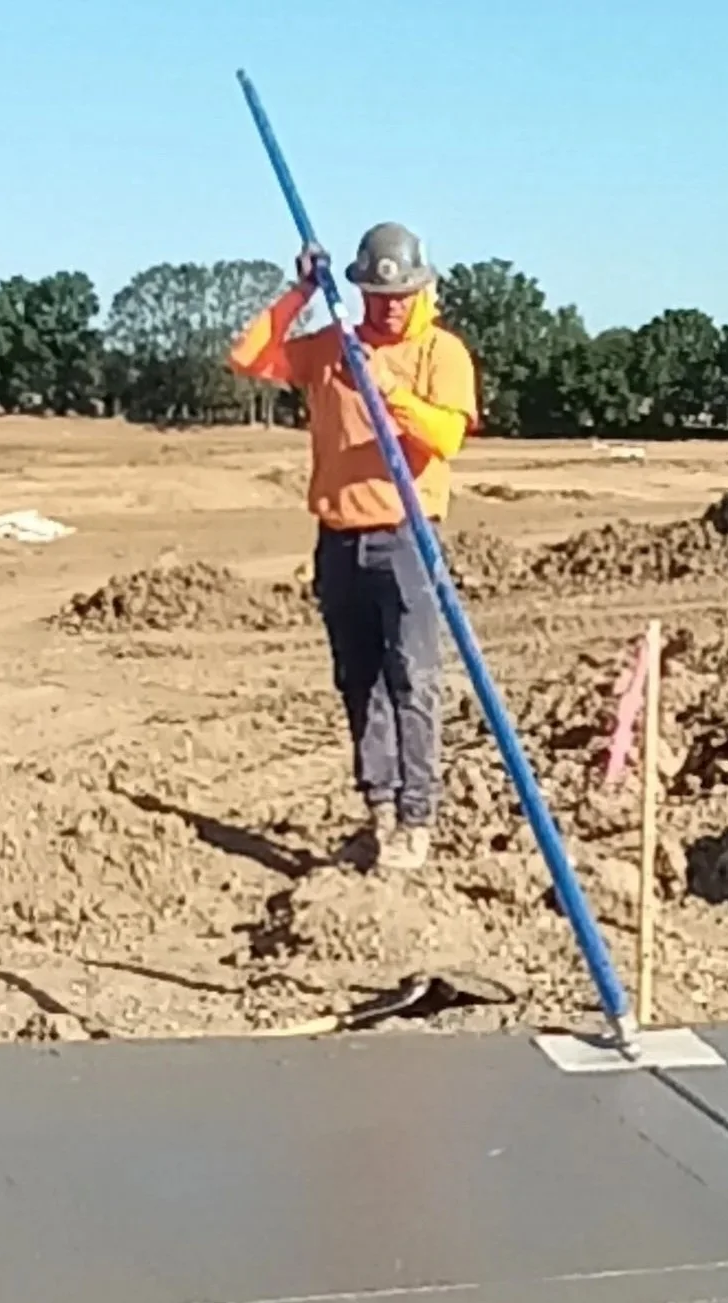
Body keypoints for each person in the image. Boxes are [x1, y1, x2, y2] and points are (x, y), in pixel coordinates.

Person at [229, 223, 479, 872]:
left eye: (403, 292)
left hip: (407, 538)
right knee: (359, 683)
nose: (390, 304)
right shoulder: (333, 347)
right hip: (338, 540)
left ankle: (418, 821)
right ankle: (382, 812)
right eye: (376, 291)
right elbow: (249, 357)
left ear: (425, 288)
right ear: (360, 289)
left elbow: (446, 438)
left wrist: (388, 392)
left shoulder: (440, 352)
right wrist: (303, 291)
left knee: (414, 680)